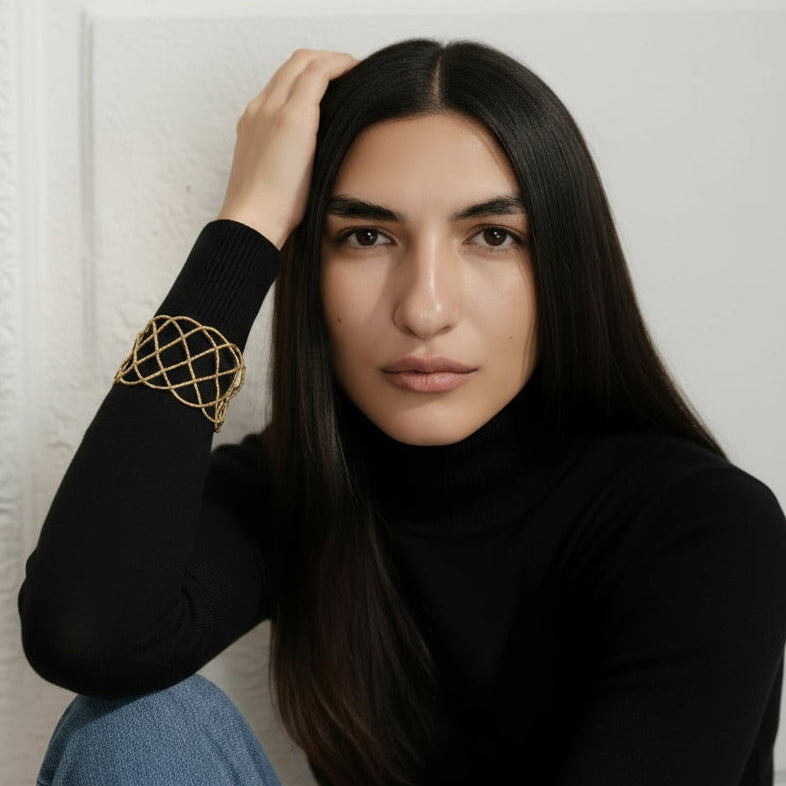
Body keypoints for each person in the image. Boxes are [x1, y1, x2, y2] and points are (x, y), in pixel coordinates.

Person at [18, 38, 786, 786]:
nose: (425, 309)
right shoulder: (300, 486)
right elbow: (87, 632)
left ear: (564, 266)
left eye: (492, 236)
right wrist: (246, 226)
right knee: (136, 729)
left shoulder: (702, 527)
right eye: (366, 236)